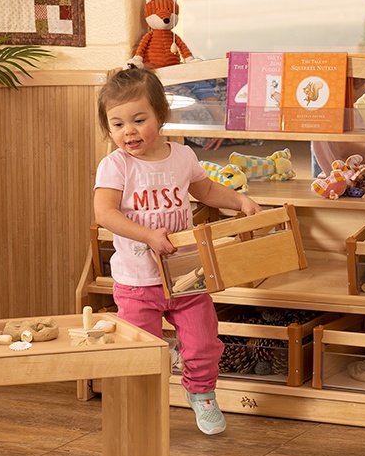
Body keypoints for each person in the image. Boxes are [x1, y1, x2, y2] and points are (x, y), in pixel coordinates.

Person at [93, 66, 262, 436]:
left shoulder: (182, 156)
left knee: (203, 339)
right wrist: (147, 235)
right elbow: (104, 213)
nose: (129, 131)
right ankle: (143, 405)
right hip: (138, 281)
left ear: (161, 115)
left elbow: (206, 191)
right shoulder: (116, 165)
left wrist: (239, 201)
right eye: (118, 124)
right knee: (144, 349)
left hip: (187, 275)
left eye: (139, 120)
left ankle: (202, 394)